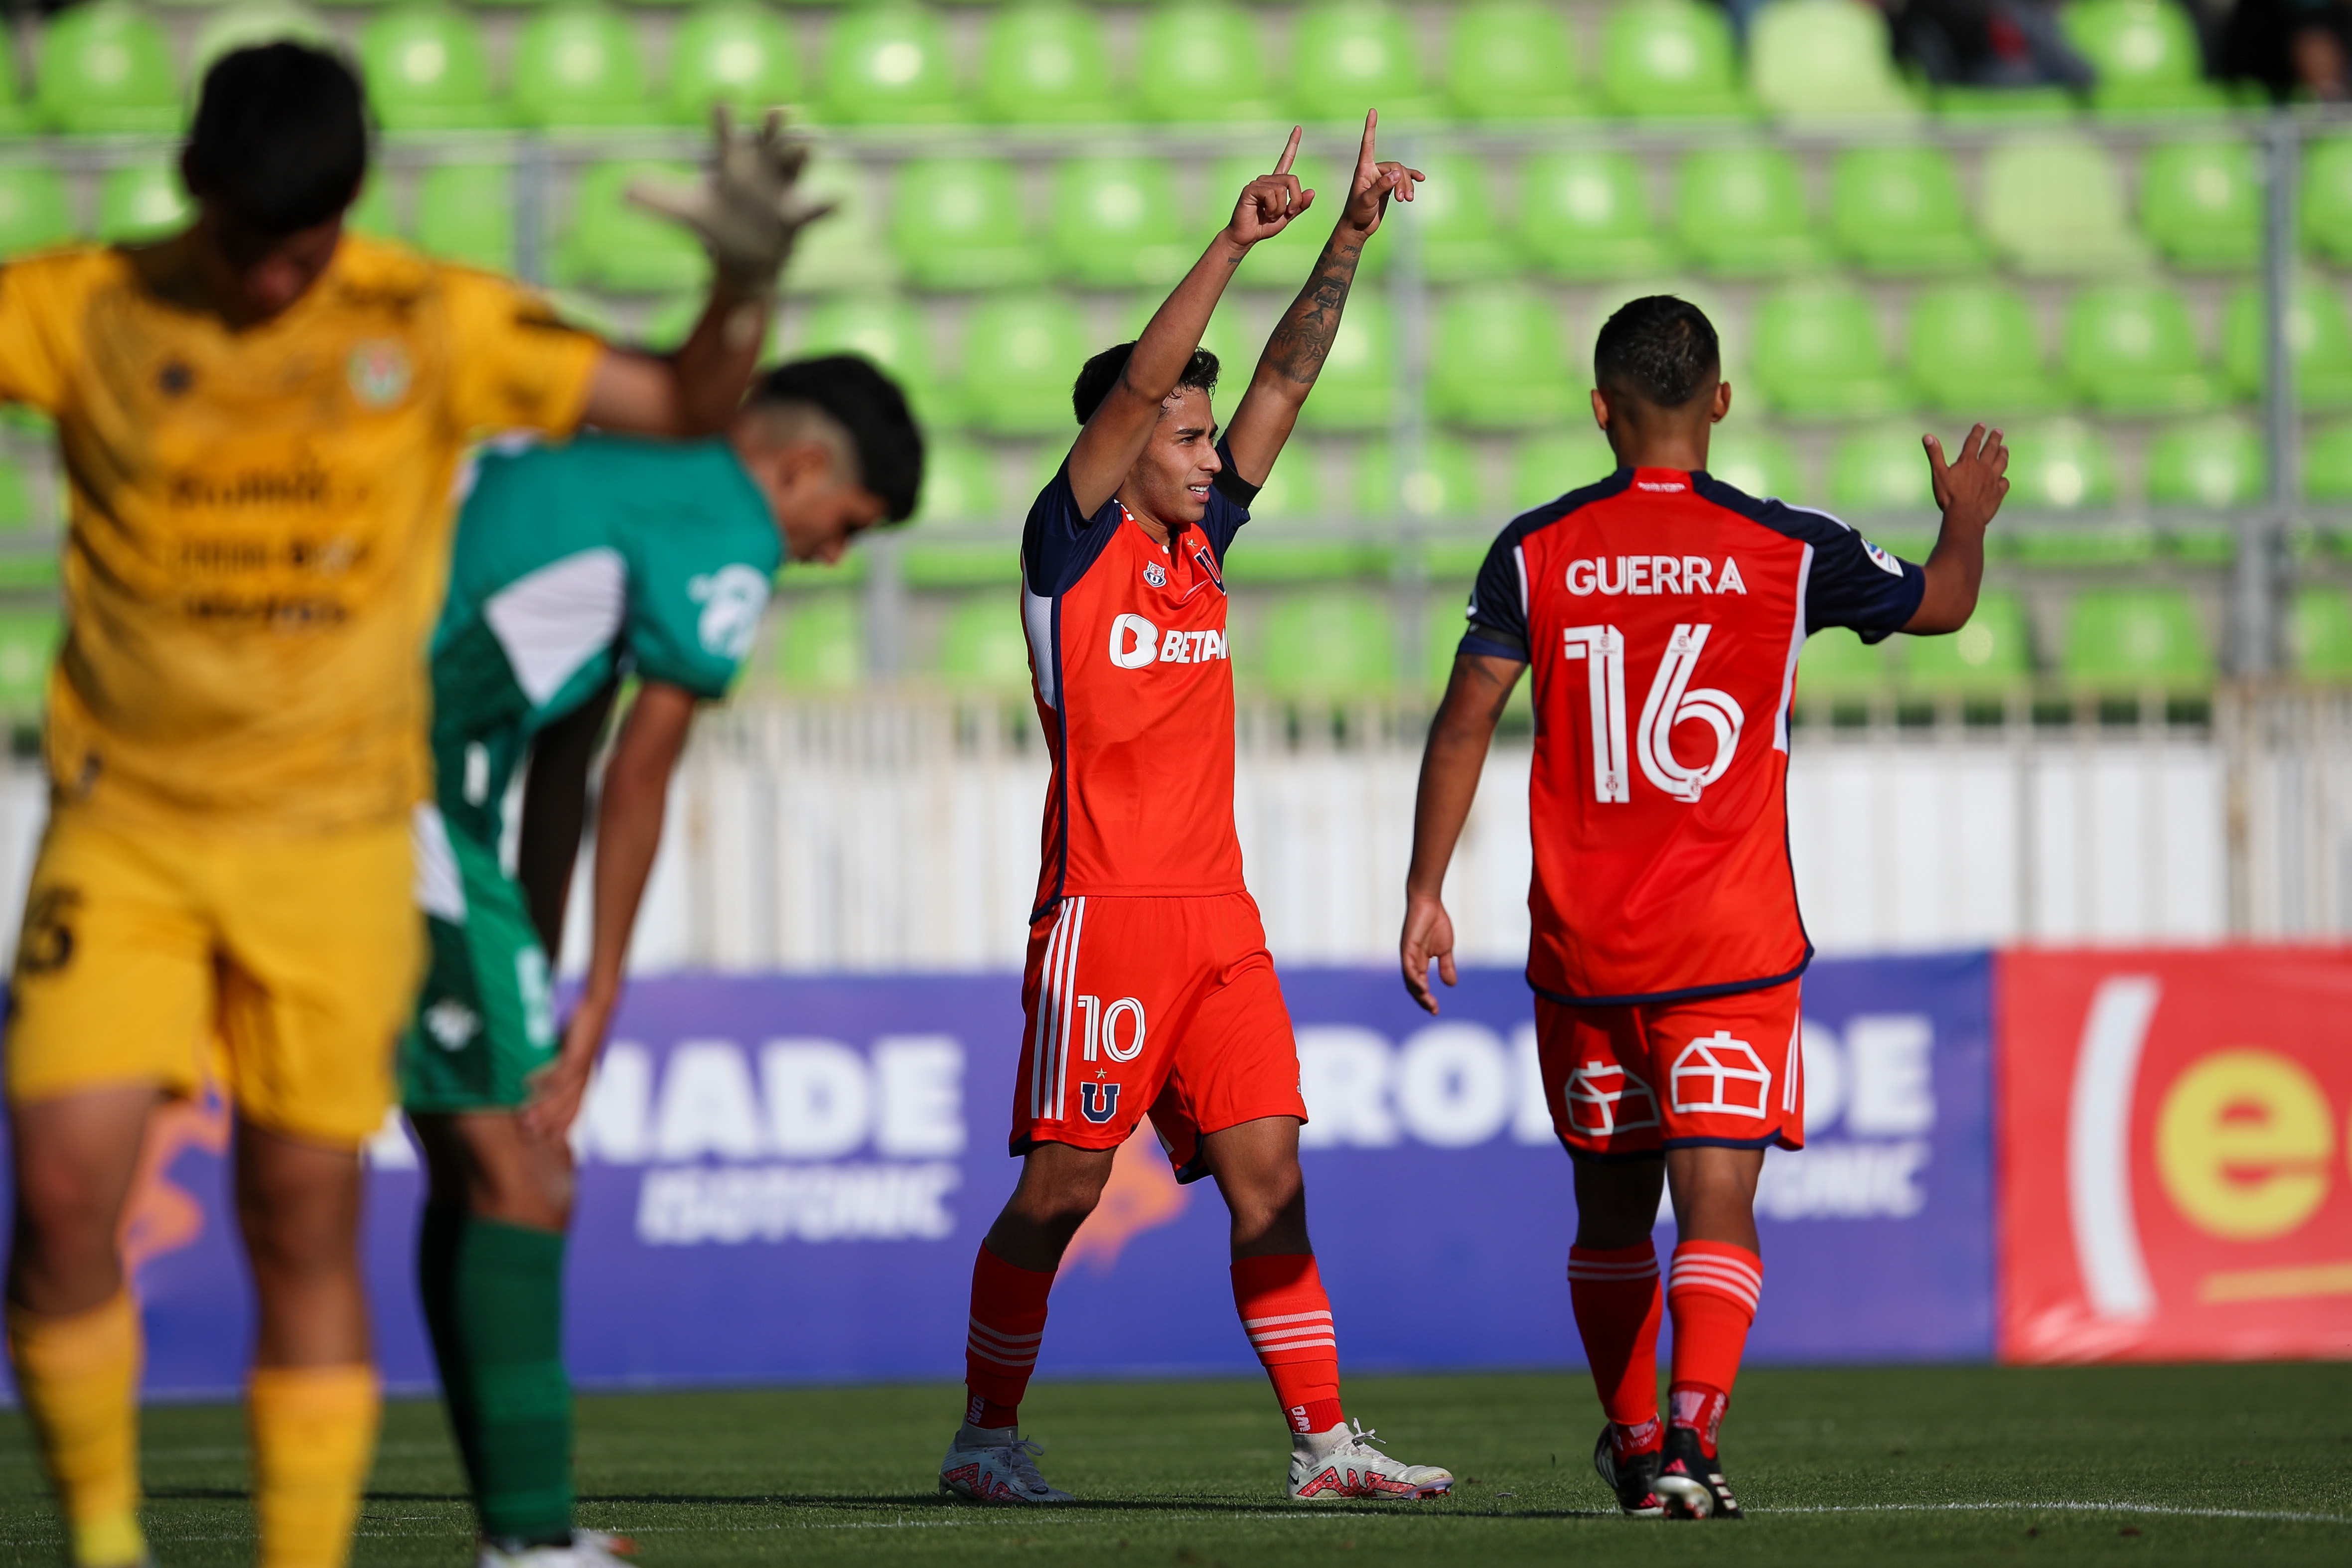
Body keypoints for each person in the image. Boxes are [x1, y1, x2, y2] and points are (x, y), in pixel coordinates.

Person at [0, 42, 822, 1568]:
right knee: (57, 1199)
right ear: (194, 189)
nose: (270, 282)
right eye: (248, 242)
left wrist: (743, 285)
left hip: (339, 843)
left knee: (301, 1214)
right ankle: (106, 1546)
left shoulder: (424, 317)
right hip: (126, 830)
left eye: (304, 249)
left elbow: (683, 393)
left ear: (354, 208)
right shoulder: (87, 301)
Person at [1398, 296, 2010, 1521]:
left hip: (1582, 948)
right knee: (1713, 1198)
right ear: (1718, 401)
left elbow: (1465, 716)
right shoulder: (1786, 546)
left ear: (1599, 410)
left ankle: (1630, 1442)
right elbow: (1943, 604)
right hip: (1728, 946)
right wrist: (1964, 521)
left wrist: (1424, 889)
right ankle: (1690, 1441)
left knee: (1609, 1206)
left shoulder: (1533, 548)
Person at [937, 113, 1450, 1508]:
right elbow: (1137, 395)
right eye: (1185, 432)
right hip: (1103, 917)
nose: (1212, 450)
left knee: (1270, 1175)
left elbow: (1286, 375)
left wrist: (1347, 234)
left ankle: (1326, 1443)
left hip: (1219, 920)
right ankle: (986, 1433)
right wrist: (1232, 239)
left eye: (1210, 434)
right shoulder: (1067, 549)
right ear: (1124, 440)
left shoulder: (1199, 551)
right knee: (1060, 1192)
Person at [405, 354, 921, 1568]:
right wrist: (601, 991)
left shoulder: (616, 475)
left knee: (466, 1164)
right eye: (841, 526)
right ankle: (530, 1544)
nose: (828, 557)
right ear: (797, 467)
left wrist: (533, 963)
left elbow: (566, 760)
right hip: (391, 802)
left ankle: (521, 1531)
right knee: (528, 1171)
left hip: (386, 792)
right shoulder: (723, 517)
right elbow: (640, 776)